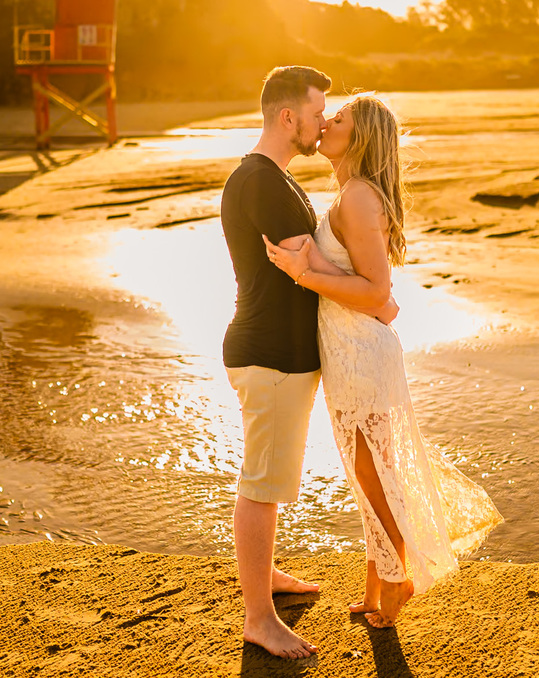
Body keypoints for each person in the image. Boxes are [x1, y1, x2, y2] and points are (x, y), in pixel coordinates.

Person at [264, 94, 505, 628]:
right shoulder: (353, 193)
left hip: (360, 355)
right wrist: (314, 264)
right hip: (350, 349)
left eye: (339, 118)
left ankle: (398, 580)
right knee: (368, 471)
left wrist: (303, 273)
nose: (326, 122)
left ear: (362, 137)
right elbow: (366, 288)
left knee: (374, 474)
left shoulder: (357, 198)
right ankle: (376, 583)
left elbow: (376, 292)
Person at [220, 66, 398, 659]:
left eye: (332, 113)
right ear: (287, 116)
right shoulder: (263, 181)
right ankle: (259, 618)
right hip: (268, 353)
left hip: (288, 356)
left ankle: (264, 578)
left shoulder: (281, 179)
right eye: (319, 111)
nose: (325, 120)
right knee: (262, 484)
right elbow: (311, 270)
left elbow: (324, 271)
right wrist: (379, 295)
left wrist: (376, 294)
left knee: (272, 477)